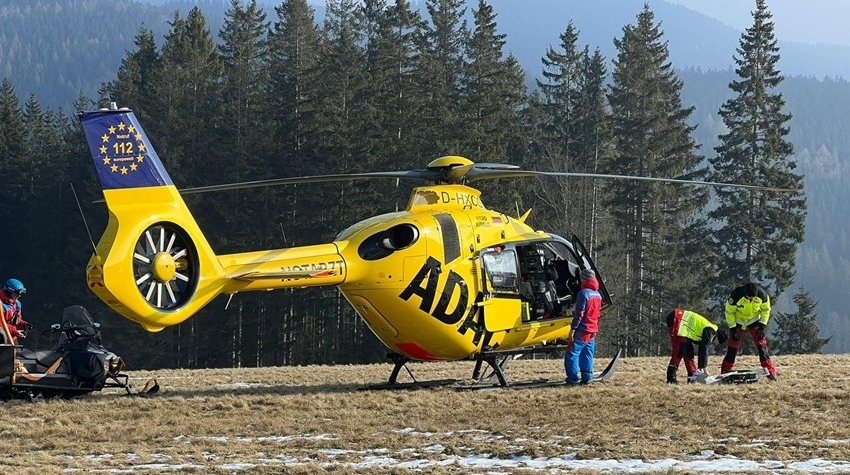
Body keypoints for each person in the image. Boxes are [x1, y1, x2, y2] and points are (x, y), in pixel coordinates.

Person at [721, 282, 777, 380]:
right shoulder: (735, 295)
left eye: (753, 297)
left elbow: (766, 311)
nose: (751, 299)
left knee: (761, 346)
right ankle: (726, 371)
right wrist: (733, 329)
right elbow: (729, 312)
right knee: (733, 347)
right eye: (749, 297)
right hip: (738, 322)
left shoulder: (762, 295)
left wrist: (762, 327)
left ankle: (770, 371)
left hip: (755, 320)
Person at [665, 308, 728, 384]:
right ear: (718, 337)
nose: (715, 344)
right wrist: (704, 369)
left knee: (689, 351)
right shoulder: (710, 331)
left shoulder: (710, 329)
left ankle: (692, 376)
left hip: (681, 324)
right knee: (679, 350)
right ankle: (671, 378)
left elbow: (702, 348)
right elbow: (704, 349)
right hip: (677, 319)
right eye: (717, 342)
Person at [565, 268, 602, 384]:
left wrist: (573, 328)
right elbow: (598, 313)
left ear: (584, 279)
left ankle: (573, 379)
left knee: (572, 353)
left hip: (583, 329)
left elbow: (579, 313)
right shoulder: (598, 295)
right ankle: (587, 377)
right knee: (587, 353)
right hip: (593, 328)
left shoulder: (583, 293)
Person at [1, 278, 28, 344]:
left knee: (17, 353)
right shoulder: (1, 304)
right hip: (2, 339)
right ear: (9, 292)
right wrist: (15, 331)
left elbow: (17, 320)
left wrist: (24, 325)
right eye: (17, 293)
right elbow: (1, 325)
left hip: (12, 338)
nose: (19, 296)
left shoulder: (17, 304)